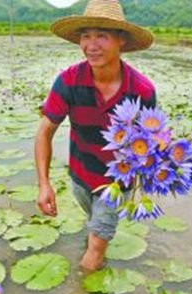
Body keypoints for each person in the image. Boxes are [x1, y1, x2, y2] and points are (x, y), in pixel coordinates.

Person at [34, 0, 157, 271]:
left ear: (121, 40)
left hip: (116, 182)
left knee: (95, 252)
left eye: (101, 35)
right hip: (79, 176)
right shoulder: (68, 81)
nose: (91, 45)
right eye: (86, 36)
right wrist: (44, 183)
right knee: (94, 225)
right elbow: (45, 132)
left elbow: (150, 142)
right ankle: (98, 238)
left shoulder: (142, 91)